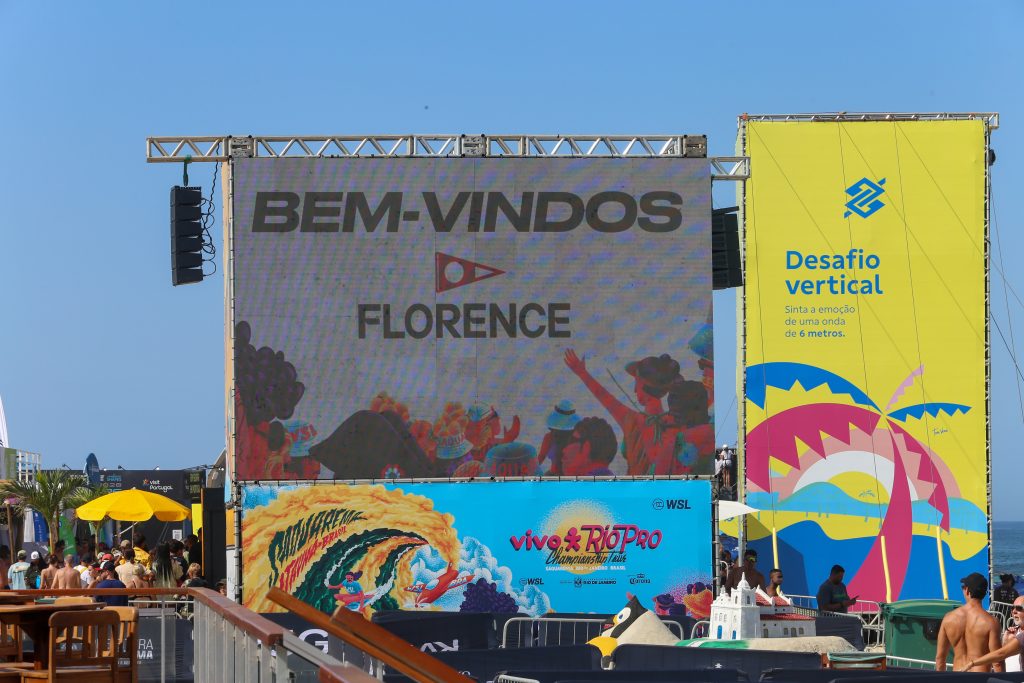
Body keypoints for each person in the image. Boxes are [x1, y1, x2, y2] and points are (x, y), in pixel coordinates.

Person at [565, 350, 696, 475]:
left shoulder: (634, 420)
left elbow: (604, 396)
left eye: (636, 384)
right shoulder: (675, 420)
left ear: (644, 385)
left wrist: (582, 373)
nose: (634, 390)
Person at [936, 573, 1004, 672]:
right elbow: (997, 662)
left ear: (967, 591)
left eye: (963, 587)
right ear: (984, 594)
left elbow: (940, 659)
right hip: (980, 679)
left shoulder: (948, 618)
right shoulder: (991, 622)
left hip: (957, 677)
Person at [536, 400, 581, 475]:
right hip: (572, 476)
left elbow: (541, 457)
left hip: (555, 475)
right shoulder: (577, 437)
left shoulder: (549, 437)